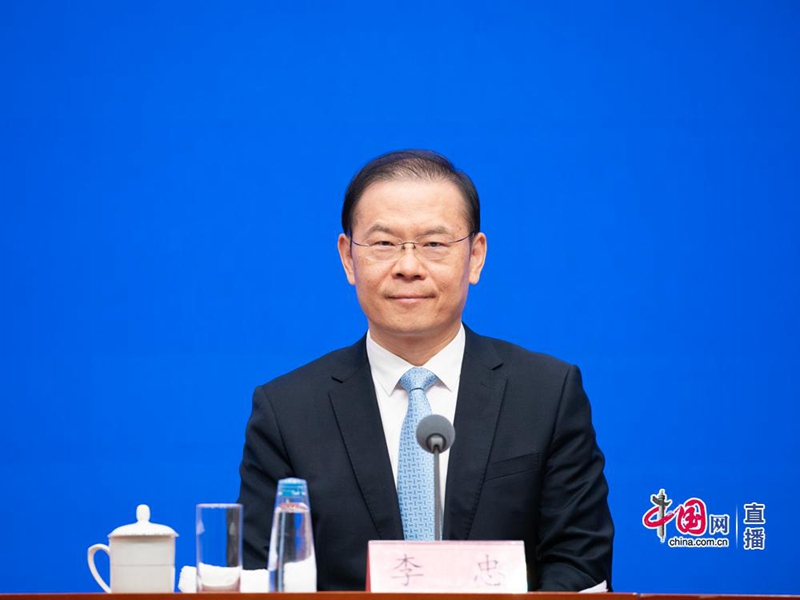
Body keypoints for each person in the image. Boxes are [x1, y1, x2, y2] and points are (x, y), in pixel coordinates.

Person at [237, 150, 614, 591]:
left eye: (434, 244)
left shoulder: (546, 394)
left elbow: (579, 563)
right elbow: (264, 576)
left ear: (475, 256)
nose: (408, 267)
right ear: (348, 258)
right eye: (383, 244)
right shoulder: (287, 411)